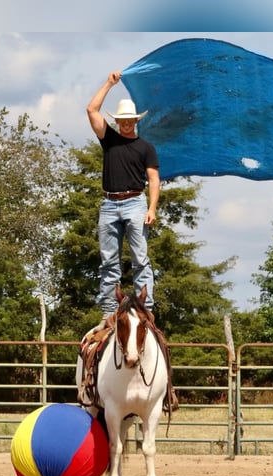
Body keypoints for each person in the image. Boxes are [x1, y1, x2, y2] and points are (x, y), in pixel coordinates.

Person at [87, 70, 160, 329]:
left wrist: (151, 208)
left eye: (130, 120)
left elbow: (153, 180)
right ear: (118, 121)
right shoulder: (109, 139)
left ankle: (145, 309)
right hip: (109, 203)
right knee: (109, 261)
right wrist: (109, 83)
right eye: (122, 120)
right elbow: (92, 110)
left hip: (135, 203)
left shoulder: (146, 147)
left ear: (135, 121)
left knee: (140, 259)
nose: (126, 123)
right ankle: (108, 311)